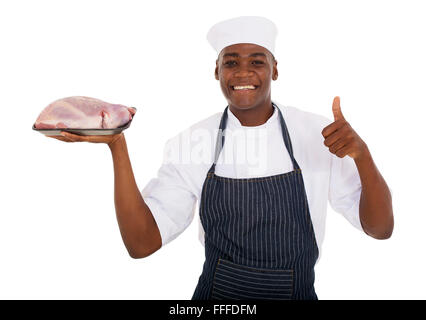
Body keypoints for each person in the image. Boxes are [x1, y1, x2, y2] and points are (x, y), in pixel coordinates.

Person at [50, 16, 393, 300]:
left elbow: (380, 229)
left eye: (257, 61)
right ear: (217, 72)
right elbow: (141, 244)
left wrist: (362, 155)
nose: (243, 73)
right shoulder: (191, 143)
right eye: (231, 62)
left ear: (275, 70)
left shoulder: (319, 134)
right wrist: (118, 146)